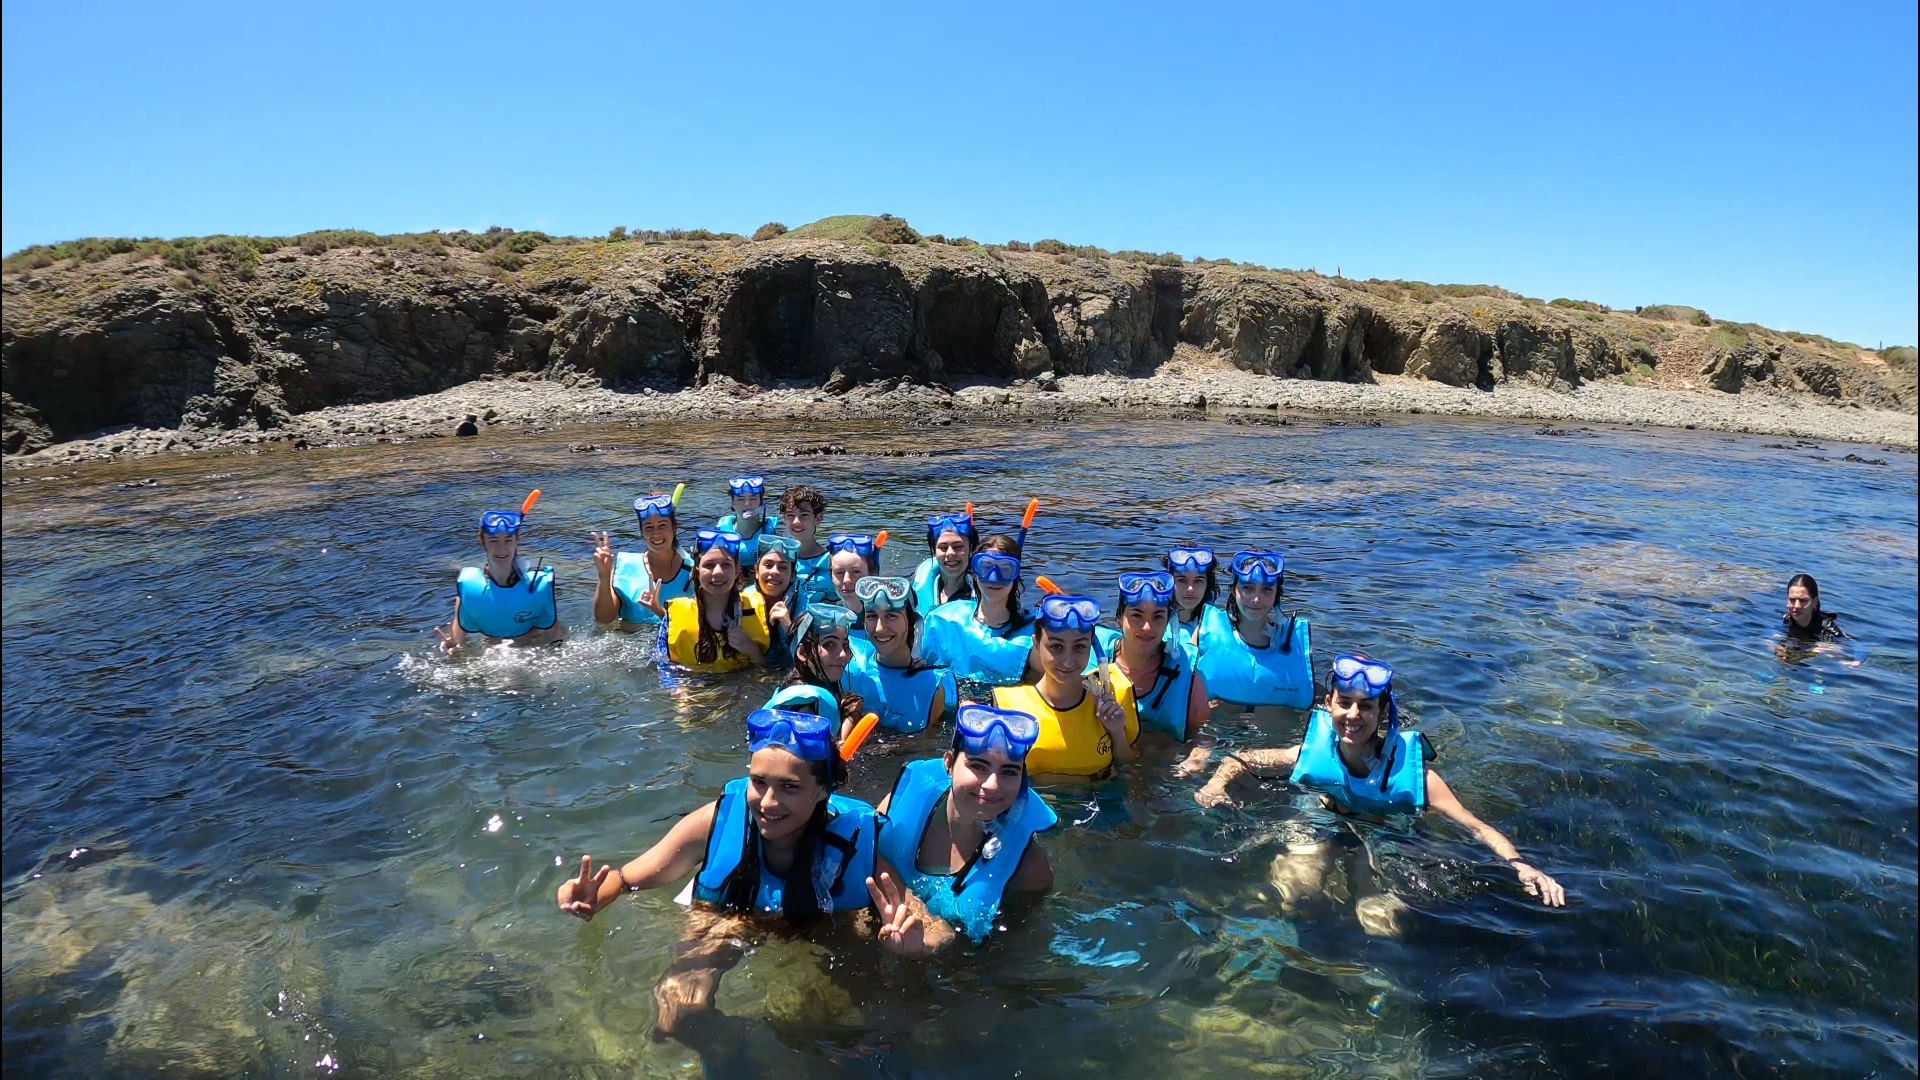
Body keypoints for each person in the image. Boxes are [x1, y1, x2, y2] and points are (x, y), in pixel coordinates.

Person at [555, 708, 940, 1039]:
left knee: (869, 1025)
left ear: (823, 790)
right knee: (678, 1013)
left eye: (789, 787)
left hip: (828, 930)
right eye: (759, 782)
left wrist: (917, 946)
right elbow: (627, 878)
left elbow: (932, 925)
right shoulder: (719, 819)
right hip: (732, 919)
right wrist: (594, 896)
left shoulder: (857, 841)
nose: (768, 802)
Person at [1194, 654, 1567, 936]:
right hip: (1322, 819)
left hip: (1385, 831)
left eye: (1366, 706)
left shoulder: (1417, 778)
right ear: (1329, 703)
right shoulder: (1309, 755)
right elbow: (1242, 758)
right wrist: (1215, 784)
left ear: (1382, 712)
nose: (1353, 715)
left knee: (1377, 920)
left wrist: (1521, 866)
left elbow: (1477, 828)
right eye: (1344, 703)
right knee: (1294, 893)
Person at [875, 704, 1056, 944]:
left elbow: (1015, 947)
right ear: (948, 764)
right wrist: (919, 914)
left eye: (1009, 772)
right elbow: (867, 858)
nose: (993, 784)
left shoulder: (1029, 868)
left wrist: (933, 943)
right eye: (978, 766)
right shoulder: (898, 806)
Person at [992, 594, 1139, 780]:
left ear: (1091, 647)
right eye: (1056, 647)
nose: (1068, 661)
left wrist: (1117, 733)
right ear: (1036, 643)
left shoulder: (1113, 697)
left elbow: (1130, 768)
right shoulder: (1008, 708)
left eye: (1079, 647)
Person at [1096, 572, 1213, 771]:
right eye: (1136, 615)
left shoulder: (1188, 677)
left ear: (1169, 621)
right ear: (1119, 617)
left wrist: (1194, 761)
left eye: (1158, 617)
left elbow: (1203, 737)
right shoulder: (1092, 660)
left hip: (1165, 772)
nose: (1147, 627)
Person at [1194, 549, 1313, 709]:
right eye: (1248, 588)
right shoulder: (1207, 633)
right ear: (1233, 589)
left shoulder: (1294, 644)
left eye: (1266, 589)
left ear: (1277, 593)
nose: (1256, 599)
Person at [637, 529, 769, 673]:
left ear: (737, 571)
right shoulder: (673, 616)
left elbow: (769, 669)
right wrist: (681, 692)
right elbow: (664, 667)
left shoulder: (759, 609)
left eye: (726, 565)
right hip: (692, 688)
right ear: (697, 570)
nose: (718, 572)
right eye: (709, 565)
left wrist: (752, 650)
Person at [437, 503, 562, 653]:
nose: (501, 549)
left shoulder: (538, 587)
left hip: (531, 655)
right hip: (493, 658)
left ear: (517, 541)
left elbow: (557, 640)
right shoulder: (471, 590)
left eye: (508, 540)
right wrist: (452, 652)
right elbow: (458, 645)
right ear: (483, 542)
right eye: (493, 540)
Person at [919, 535, 1037, 690]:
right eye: (986, 567)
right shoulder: (942, 619)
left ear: (1015, 576)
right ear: (974, 573)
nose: (994, 577)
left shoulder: (1033, 636)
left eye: (1005, 569)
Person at [841, 576, 957, 733]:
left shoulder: (932, 688)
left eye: (891, 616)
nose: (880, 628)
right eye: (871, 616)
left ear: (914, 623)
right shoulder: (847, 664)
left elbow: (926, 746)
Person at [592, 493, 694, 627]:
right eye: (649, 527)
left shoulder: (694, 572)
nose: (656, 533)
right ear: (641, 531)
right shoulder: (625, 568)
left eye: (662, 525)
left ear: (674, 528)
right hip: (628, 644)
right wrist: (604, 575)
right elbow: (603, 620)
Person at [773, 605, 868, 732]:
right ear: (802, 653)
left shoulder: (822, 687)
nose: (843, 654)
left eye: (845, 645)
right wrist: (849, 722)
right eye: (829, 644)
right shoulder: (800, 707)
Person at [742, 534, 804, 666]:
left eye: (783, 567)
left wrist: (789, 627)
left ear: (793, 575)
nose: (775, 572)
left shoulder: (803, 605)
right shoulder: (741, 601)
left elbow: (810, 659)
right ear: (757, 571)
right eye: (768, 565)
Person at [911, 509, 977, 616]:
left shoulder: (985, 593)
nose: (950, 553)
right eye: (943, 548)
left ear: (970, 551)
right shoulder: (914, 593)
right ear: (935, 553)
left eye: (958, 546)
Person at [779, 485, 837, 606]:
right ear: (783, 517)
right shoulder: (778, 559)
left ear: (817, 517)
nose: (796, 522)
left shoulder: (833, 561)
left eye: (804, 515)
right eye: (790, 515)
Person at [1166, 545, 1228, 646]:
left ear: (1208, 584)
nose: (1190, 588)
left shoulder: (1219, 626)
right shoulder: (1155, 625)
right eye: (1182, 580)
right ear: (1169, 582)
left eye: (1198, 581)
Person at [825, 532, 884, 635]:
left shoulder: (885, 613)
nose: (847, 580)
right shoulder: (828, 614)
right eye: (839, 572)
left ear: (872, 574)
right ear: (831, 575)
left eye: (856, 572)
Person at [1783, 573, 1848, 642]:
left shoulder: (1827, 628)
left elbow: (1843, 647)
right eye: (1792, 600)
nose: (1796, 606)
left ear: (1815, 602)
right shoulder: (1787, 619)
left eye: (1803, 600)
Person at [716, 475, 779, 543]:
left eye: (753, 498)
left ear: (761, 503)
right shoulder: (719, 532)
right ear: (732, 504)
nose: (747, 504)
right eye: (740, 499)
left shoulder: (774, 533)